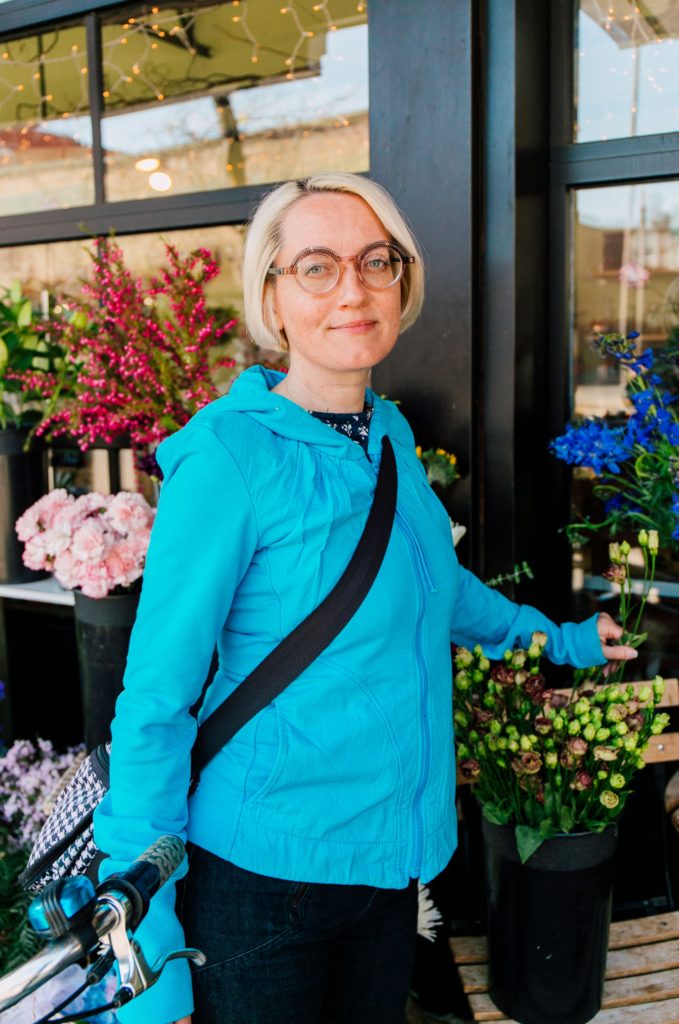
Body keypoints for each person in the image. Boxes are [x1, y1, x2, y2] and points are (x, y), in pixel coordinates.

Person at [93, 172, 637, 1024]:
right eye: (316, 266)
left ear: (402, 281)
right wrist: (143, 922)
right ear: (272, 296)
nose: (352, 289)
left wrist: (562, 641)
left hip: (388, 866)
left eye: (374, 262)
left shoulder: (386, 434)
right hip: (264, 878)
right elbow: (155, 697)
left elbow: (436, 588)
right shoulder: (230, 460)